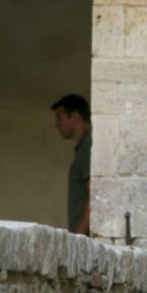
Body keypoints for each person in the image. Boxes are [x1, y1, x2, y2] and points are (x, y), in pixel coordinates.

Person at [51, 94, 92, 235]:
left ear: (74, 118)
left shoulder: (88, 146)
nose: (56, 124)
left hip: (84, 239)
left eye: (59, 117)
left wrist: (79, 237)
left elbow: (94, 195)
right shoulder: (84, 147)